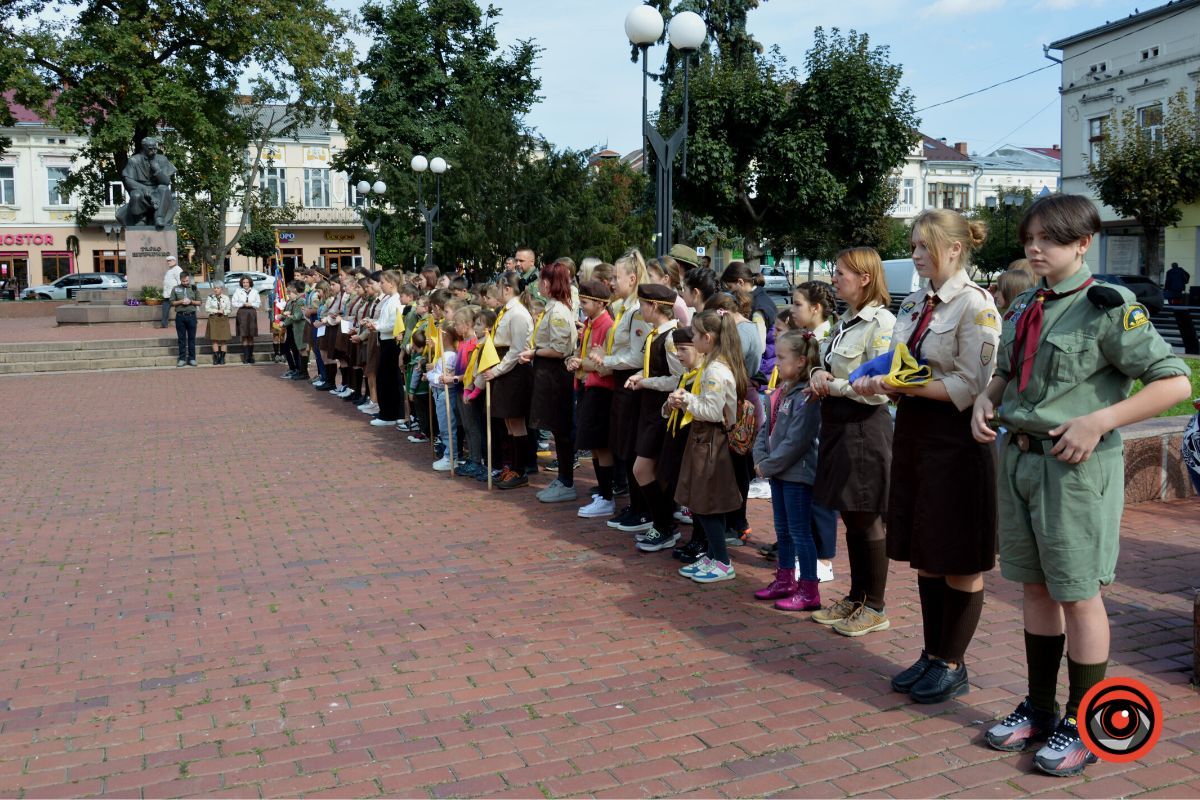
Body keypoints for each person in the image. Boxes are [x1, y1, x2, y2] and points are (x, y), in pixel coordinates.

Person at [971, 194, 1191, 777]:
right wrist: (985, 399)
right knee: (1036, 588)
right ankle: (1040, 708)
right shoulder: (1025, 304)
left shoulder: (1108, 308)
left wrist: (1100, 420)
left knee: (1078, 593)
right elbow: (1005, 373)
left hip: (1073, 471)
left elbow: (1174, 383)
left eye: (1049, 238)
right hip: (1019, 461)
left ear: (1082, 243)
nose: (1035, 247)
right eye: (1030, 238)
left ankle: (1085, 720)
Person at [853, 208, 1000, 705]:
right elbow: (906, 365)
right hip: (916, 434)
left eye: (922, 246)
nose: (914, 254)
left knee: (958, 556)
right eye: (913, 245)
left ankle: (952, 661)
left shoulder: (975, 305)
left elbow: (974, 382)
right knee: (927, 554)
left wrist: (902, 384)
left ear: (954, 249)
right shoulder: (916, 301)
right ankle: (932, 651)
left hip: (957, 440)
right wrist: (888, 383)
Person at [808, 248, 897, 637]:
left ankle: (874, 605)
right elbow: (827, 364)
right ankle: (857, 596)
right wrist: (815, 372)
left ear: (864, 278)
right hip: (839, 426)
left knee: (866, 515)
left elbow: (880, 389)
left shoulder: (882, 323)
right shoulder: (844, 320)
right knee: (852, 515)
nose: (835, 278)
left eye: (841, 273)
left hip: (863, 427)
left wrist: (833, 385)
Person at [672, 308, 749, 584]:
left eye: (694, 334)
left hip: (711, 439)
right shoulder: (715, 363)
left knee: (708, 503)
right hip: (704, 438)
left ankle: (723, 562)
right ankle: (715, 555)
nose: (692, 338)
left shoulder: (715, 369)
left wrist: (686, 401)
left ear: (707, 337)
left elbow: (713, 411)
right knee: (701, 501)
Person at [752, 330, 823, 611]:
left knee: (799, 532)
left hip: (796, 474)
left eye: (781, 357)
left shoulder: (807, 396)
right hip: (779, 472)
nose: (776, 362)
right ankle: (785, 580)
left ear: (802, 361)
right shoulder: (782, 390)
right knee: (782, 530)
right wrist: (760, 458)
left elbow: (797, 441)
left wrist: (768, 465)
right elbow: (765, 429)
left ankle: (809, 589)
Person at [592, 250, 652, 531]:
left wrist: (607, 360)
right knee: (624, 447)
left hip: (630, 383)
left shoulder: (638, 310)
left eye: (616, 277)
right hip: (621, 382)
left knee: (629, 447)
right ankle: (636, 504)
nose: (612, 282)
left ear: (632, 277)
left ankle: (642, 508)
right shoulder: (625, 308)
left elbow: (638, 356)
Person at [626, 283, 683, 552]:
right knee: (653, 470)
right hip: (650, 409)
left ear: (655, 306)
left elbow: (677, 379)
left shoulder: (671, 337)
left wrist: (646, 382)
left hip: (663, 412)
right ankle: (663, 524)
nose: (640, 309)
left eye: (643, 305)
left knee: (642, 469)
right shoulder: (654, 334)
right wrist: (642, 376)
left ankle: (663, 525)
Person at [520, 262, 579, 501]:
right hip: (550, 374)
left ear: (546, 283)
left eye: (540, 281)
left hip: (556, 375)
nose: (537, 285)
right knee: (557, 427)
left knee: (561, 428)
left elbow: (559, 349)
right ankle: (563, 479)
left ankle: (566, 481)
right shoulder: (552, 308)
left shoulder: (557, 312)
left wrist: (534, 352)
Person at [482, 273, 535, 489]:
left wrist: (498, 370)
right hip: (504, 369)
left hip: (513, 371)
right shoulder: (507, 311)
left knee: (515, 420)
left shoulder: (518, 314)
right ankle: (512, 467)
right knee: (508, 421)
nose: (495, 291)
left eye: (498, 286)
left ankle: (519, 470)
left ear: (506, 288)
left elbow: (517, 349)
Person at [569, 280, 617, 518]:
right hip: (587, 387)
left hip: (601, 391)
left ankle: (608, 497)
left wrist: (583, 363)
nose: (582, 306)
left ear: (600, 302)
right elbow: (587, 357)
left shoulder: (608, 325)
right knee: (595, 446)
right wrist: (577, 360)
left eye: (585, 302)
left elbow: (604, 365)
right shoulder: (589, 324)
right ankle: (603, 491)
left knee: (601, 445)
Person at [366, 271, 402, 427]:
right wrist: (375, 323)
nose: (381, 285)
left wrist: (377, 326)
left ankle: (390, 414)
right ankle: (388, 412)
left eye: (383, 282)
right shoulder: (389, 299)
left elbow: (395, 324)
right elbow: (384, 319)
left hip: (391, 343)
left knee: (388, 379)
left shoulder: (396, 300)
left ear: (392, 283)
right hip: (385, 341)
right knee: (385, 378)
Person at [117, 137, 177, 229]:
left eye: (155, 148)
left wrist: (158, 171)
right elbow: (129, 181)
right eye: (150, 148)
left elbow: (166, 182)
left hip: (157, 189)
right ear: (143, 147)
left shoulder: (162, 160)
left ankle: (159, 217)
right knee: (136, 195)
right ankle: (140, 219)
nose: (153, 151)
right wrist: (143, 188)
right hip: (140, 189)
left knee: (164, 189)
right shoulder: (134, 160)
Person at [170, 271, 200, 366]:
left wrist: (191, 301)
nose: (186, 283)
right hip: (180, 316)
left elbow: (199, 302)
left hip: (191, 316)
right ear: (180, 280)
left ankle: (192, 358)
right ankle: (182, 358)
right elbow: (171, 302)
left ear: (189, 279)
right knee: (181, 338)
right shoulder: (175, 289)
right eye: (183, 281)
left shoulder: (194, 288)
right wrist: (180, 301)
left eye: (187, 281)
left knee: (192, 338)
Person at [231, 275, 260, 363]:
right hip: (242, 313)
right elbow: (234, 302)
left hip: (251, 312)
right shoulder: (238, 291)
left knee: (251, 335)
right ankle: (246, 357)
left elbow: (258, 303)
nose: (245, 284)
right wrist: (242, 304)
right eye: (243, 282)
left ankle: (251, 356)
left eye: (247, 282)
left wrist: (251, 304)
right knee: (244, 335)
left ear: (250, 283)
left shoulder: (255, 291)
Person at [203, 283, 233, 365]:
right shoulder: (210, 297)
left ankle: (222, 358)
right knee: (214, 338)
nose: (216, 289)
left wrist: (224, 311)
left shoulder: (226, 298)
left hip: (223, 318)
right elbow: (207, 308)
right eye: (215, 288)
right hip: (214, 318)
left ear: (221, 289)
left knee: (224, 339)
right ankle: (216, 357)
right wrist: (216, 311)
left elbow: (229, 309)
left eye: (218, 288)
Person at [161, 256, 182, 328]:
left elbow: (180, 282)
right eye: (167, 261)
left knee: (180, 309)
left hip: (175, 294)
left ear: (174, 261)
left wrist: (179, 293)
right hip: (167, 294)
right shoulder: (169, 270)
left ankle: (181, 323)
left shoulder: (177, 269)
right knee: (165, 309)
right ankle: (164, 324)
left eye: (170, 261)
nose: (168, 262)